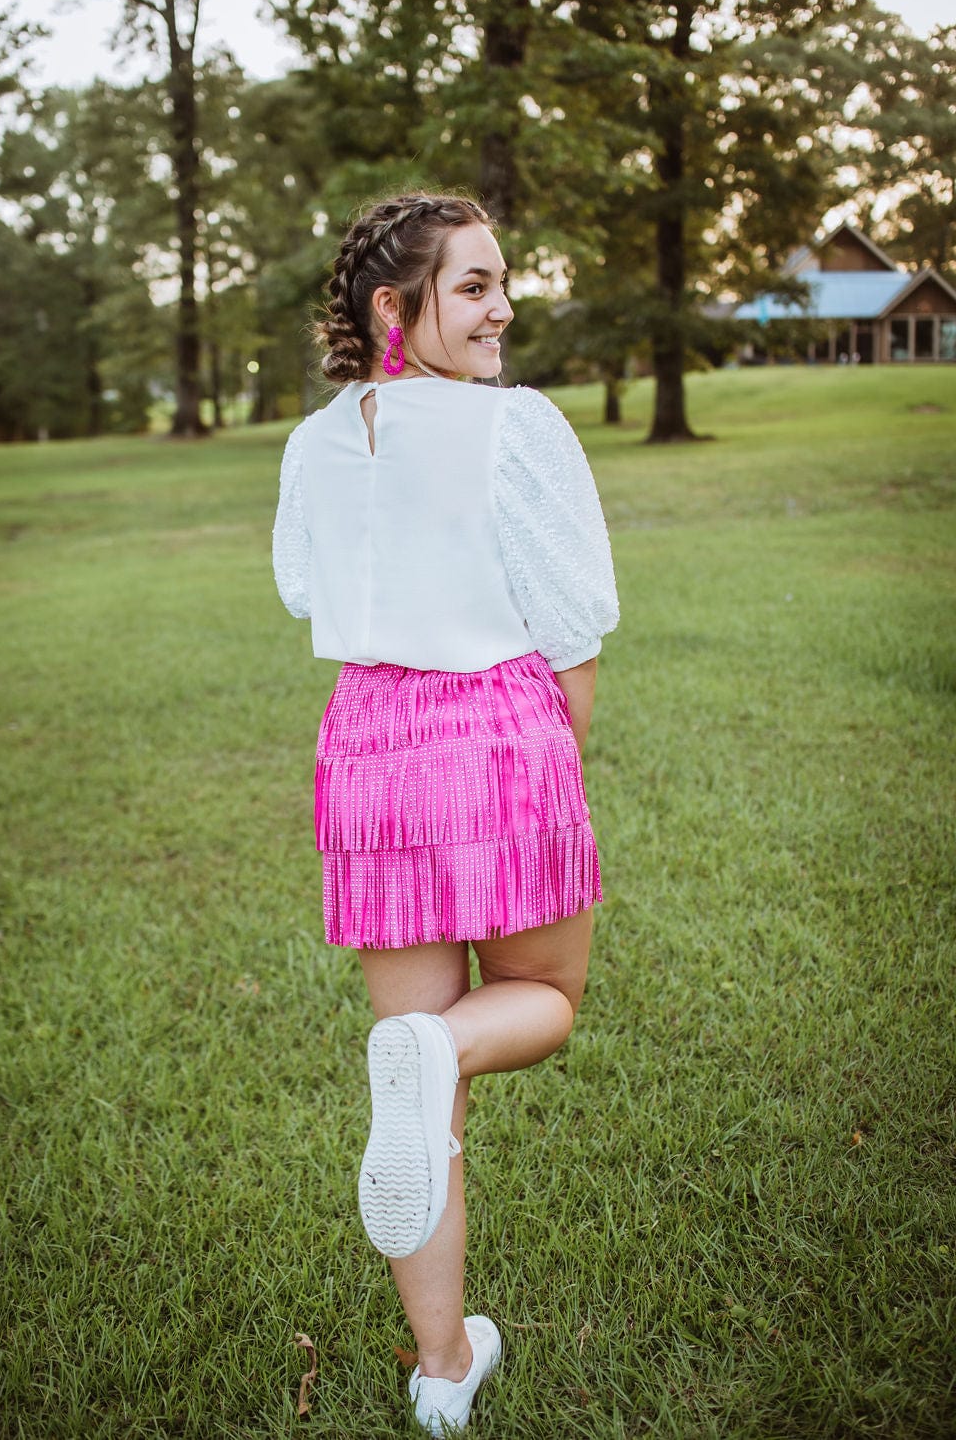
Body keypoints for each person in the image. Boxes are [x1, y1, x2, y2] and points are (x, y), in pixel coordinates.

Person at [272, 192, 618, 1436]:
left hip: (370, 747)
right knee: (545, 1003)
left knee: (417, 1093)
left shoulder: (313, 442)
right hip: (495, 729)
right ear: (393, 308)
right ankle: (444, 1047)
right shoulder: (512, 429)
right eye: (473, 285)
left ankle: (440, 1370)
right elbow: (570, 630)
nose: (504, 306)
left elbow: (305, 582)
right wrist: (553, 765)